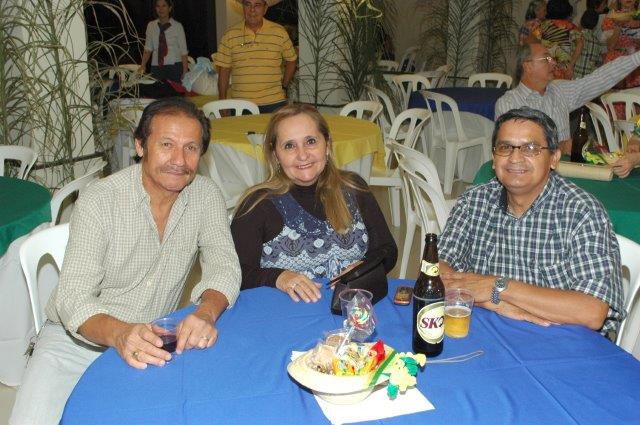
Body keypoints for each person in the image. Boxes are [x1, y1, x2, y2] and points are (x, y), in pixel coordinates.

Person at [9, 98, 241, 424]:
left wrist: (205, 312)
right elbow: (72, 297)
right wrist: (120, 334)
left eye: (190, 148)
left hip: (156, 338)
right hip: (74, 343)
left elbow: (224, 266)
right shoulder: (101, 200)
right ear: (140, 145)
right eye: (167, 145)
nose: (179, 160)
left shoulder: (206, 196)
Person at [438, 107, 623, 338]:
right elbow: (435, 270)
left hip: (561, 341)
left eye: (531, 148)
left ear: (554, 158)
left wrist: (498, 286)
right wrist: (495, 302)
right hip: (489, 333)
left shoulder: (581, 211)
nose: (515, 158)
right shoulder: (474, 201)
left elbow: (592, 312)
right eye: (505, 147)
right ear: (494, 159)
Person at [230, 104, 397, 303]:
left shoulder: (353, 188)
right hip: (287, 313)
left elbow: (387, 249)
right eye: (289, 146)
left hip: (353, 309)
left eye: (310, 141)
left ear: (327, 145)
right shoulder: (257, 205)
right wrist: (278, 277)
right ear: (275, 156)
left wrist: (365, 266)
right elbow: (234, 274)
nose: (302, 155)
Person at [495, 42, 640, 153]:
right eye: (546, 58)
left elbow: (600, 78)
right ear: (527, 66)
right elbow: (509, 150)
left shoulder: (560, 92)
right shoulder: (509, 103)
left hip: (566, 172)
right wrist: (559, 147)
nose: (553, 62)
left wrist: (636, 58)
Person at [214, 0, 297, 113]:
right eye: (247, 4)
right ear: (243, 7)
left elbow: (292, 60)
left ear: (265, 9)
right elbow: (224, 71)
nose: (252, 10)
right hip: (241, 105)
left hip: (274, 103)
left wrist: (284, 86)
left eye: (257, 5)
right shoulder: (229, 35)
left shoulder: (279, 32)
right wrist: (222, 103)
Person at [138, 0, 189, 82]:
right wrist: (142, 65)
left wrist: (185, 71)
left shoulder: (177, 26)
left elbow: (183, 51)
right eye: (158, 6)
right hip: (156, 67)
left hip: (174, 66)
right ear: (155, 8)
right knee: (156, 89)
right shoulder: (151, 26)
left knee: (174, 90)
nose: (161, 9)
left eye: (164, 6)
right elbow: (148, 48)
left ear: (170, 8)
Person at [532, 0, 583, 79]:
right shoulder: (571, 26)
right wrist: (571, 65)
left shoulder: (541, 26)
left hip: (546, 66)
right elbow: (580, 44)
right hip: (564, 69)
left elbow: (532, 45)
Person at [602, 0, 640, 88]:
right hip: (616, 63)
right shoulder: (612, 17)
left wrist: (634, 34)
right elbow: (610, 46)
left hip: (636, 63)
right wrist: (618, 25)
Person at [573, 9, 607, 78]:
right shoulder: (598, 42)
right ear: (595, 26)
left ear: (581, 21)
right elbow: (602, 61)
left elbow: (579, 45)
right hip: (588, 79)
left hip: (574, 76)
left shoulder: (575, 34)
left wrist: (570, 66)